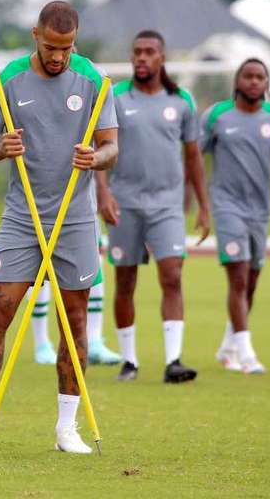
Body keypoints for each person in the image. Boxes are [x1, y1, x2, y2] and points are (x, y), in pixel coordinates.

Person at [0, 1, 118, 456]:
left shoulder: (94, 80)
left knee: (74, 323)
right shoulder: (8, 78)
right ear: (36, 34)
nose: (58, 57)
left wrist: (96, 158)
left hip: (75, 219)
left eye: (67, 48)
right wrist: (1, 148)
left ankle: (65, 429)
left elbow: (111, 145)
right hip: (22, 216)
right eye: (52, 47)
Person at [96, 30, 210, 383]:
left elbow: (193, 156)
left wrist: (204, 206)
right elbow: (98, 147)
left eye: (149, 52)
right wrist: (103, 194)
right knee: (125, 280)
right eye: (137, 52)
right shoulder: (114, 98)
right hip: (125, 202)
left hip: (167, 205)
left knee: (172, 275)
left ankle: (173, 360)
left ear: (162, 58)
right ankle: (129, 361)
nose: (141, 58)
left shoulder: (181, 102)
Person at [203, 58, 270, 374]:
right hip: (227, 207)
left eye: (260, 77)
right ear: (237, 81)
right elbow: (192, 155)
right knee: (238, 277)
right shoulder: (217, 116)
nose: (254, 81)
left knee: (251, 281)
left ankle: (228, 347)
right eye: (248, 76)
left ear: (267, 84)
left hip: (259, 211)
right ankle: (247, 354)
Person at [31, 237, 121, 366]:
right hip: (40, 219)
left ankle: (94, 341)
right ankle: (41, 344)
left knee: (93, 256)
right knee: (40, 259)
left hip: (81, 218)